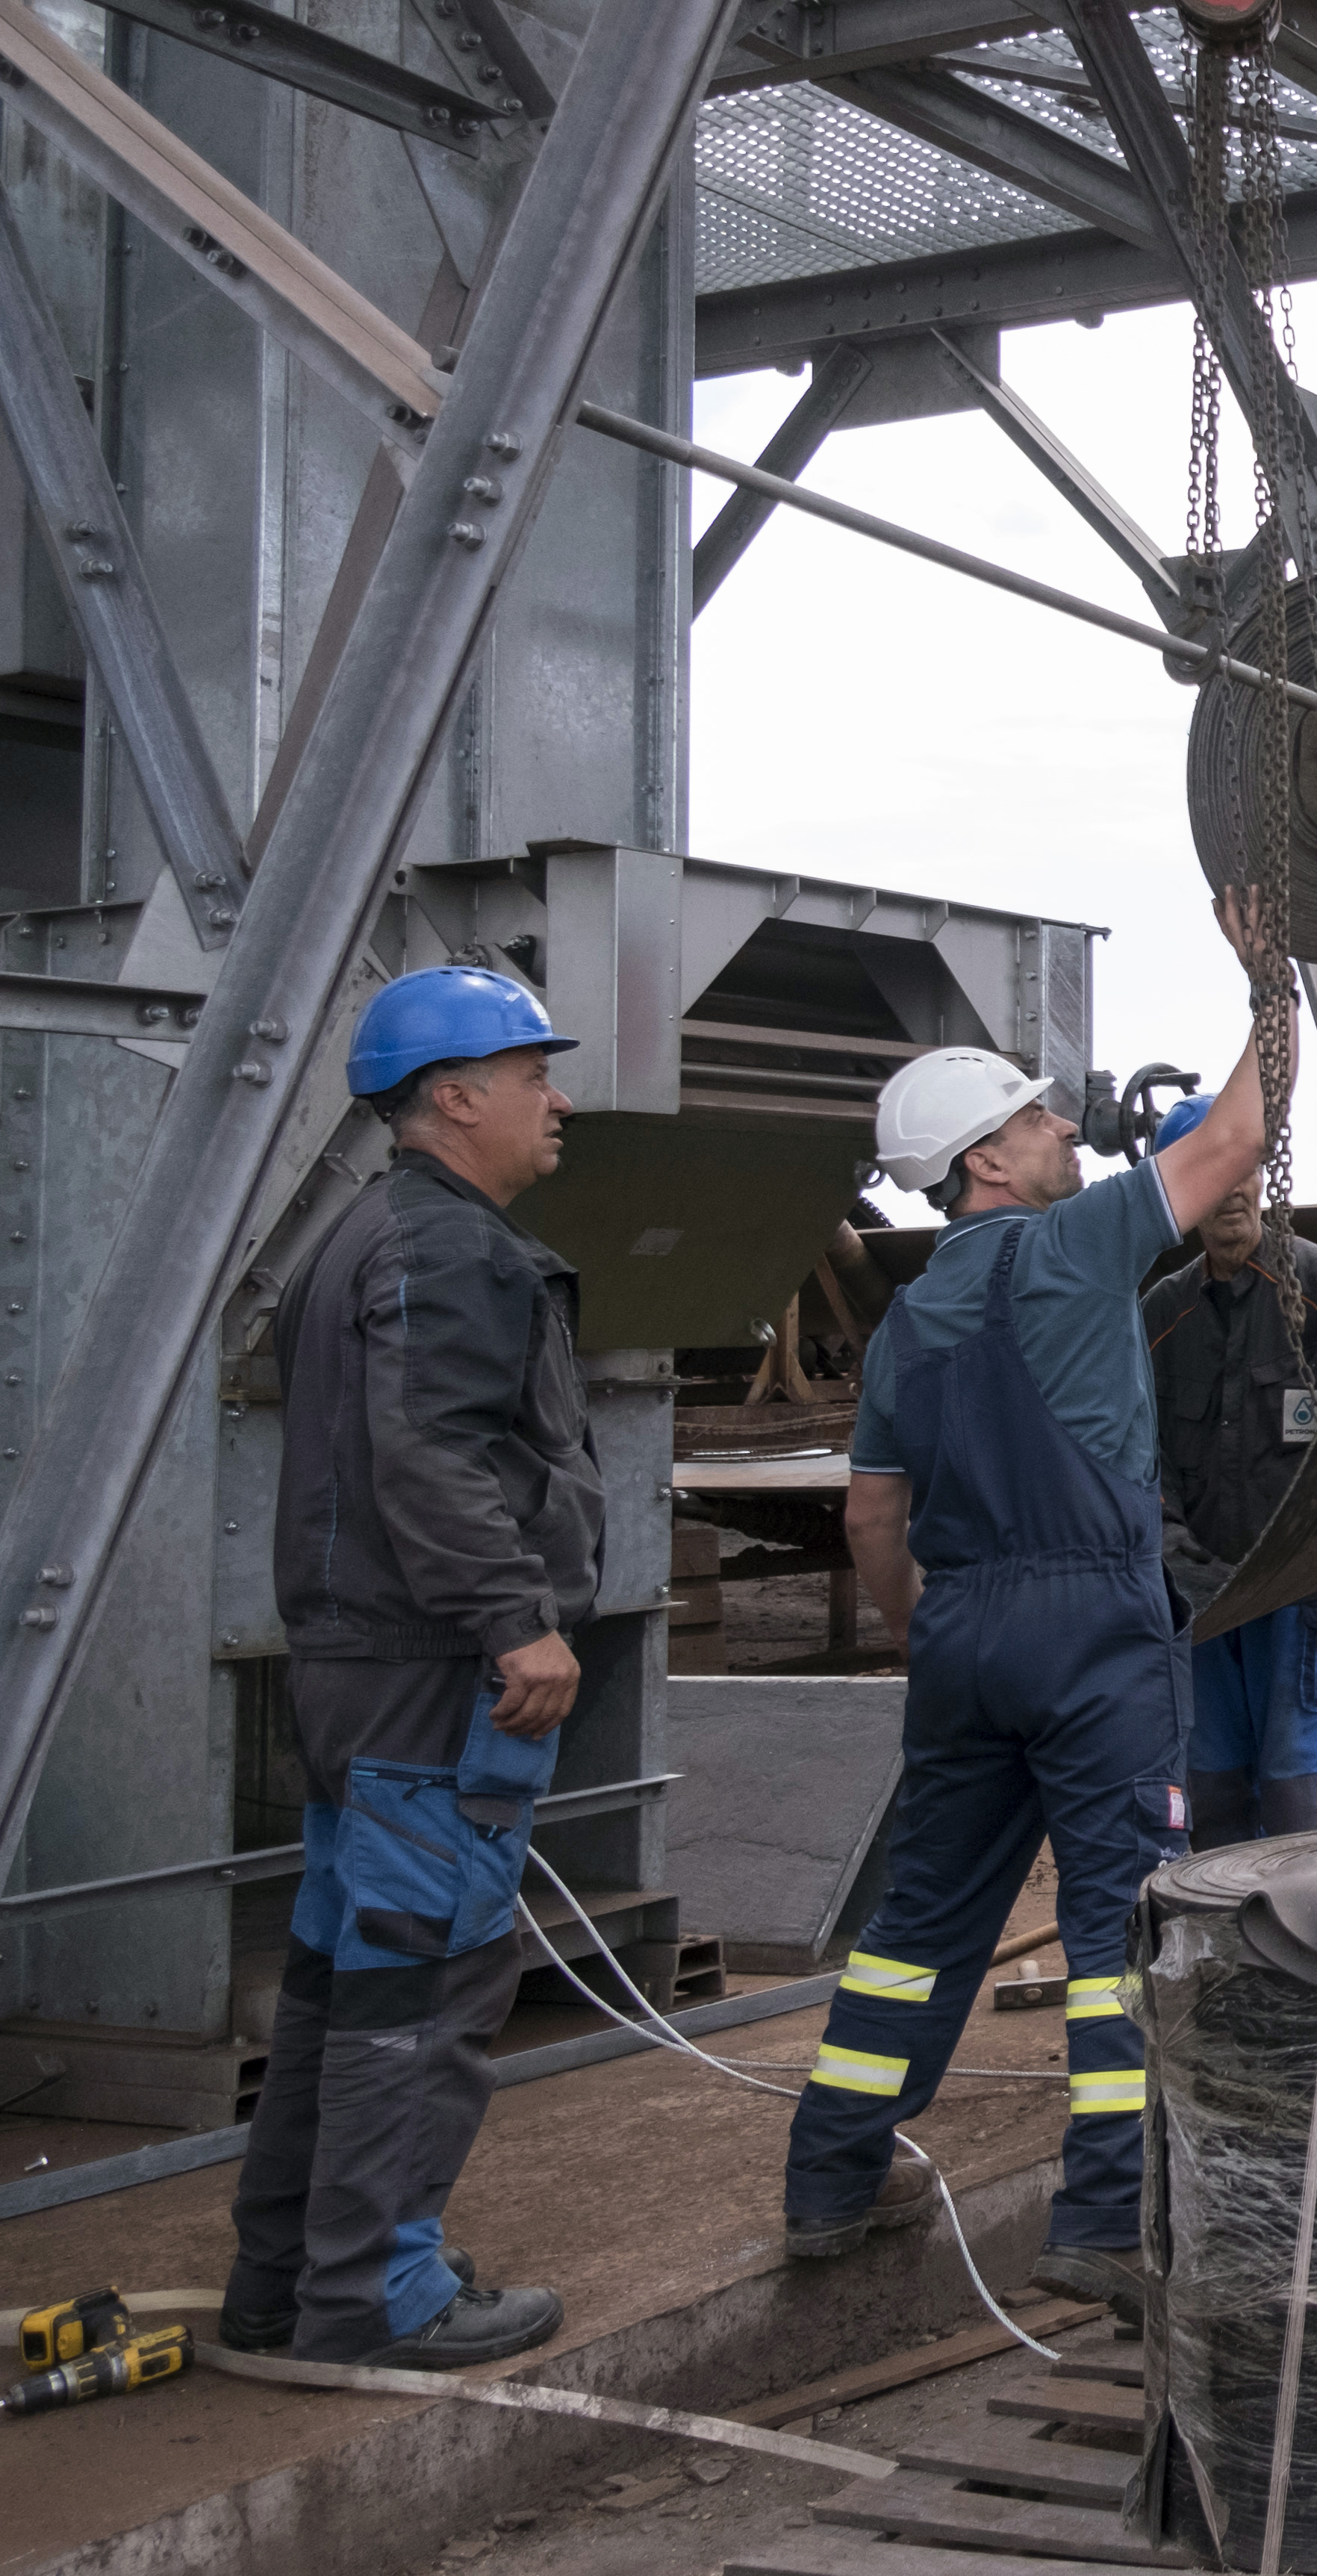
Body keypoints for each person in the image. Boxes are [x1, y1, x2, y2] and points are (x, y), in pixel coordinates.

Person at [777, 895, 1289, 2313]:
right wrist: (1270, 985)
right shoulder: (1074, 1249)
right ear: (987, 1160)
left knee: (919, 1922)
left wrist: (922, 1632)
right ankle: (1103, 2224)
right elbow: (1234, 1139)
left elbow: (871, 1516)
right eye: (1041, 1122)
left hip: (962, 1638)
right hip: (1092, 1630)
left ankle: (830, 2178)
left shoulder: (908, 1318)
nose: (1069, 1133)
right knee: (1116, 1928)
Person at [223, 967, 599, 2368]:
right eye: (528, 1074)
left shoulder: (364, 1233)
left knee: (345, 1979)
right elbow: (431, 1449)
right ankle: (379, 2297)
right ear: (453, 1097)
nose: (555, 1098)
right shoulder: (446, 1248)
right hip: (428, 1671)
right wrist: (515, 1617)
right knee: (427, 1983)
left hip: (360, 1665)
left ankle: (288, 2283)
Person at [1138, 1098, 1317, 1845]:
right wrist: (1178, 1560)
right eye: (1212, 1174)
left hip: (1301, 1598)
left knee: (1300, 1783)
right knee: (1209, 1783)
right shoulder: (1160, 1318)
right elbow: (1139, 1458)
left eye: (1244, 1169)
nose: (1232, 1190)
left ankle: (1316, 1948)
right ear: (1179, 1189)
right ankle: (1227, 1951)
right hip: (1198, 1599)